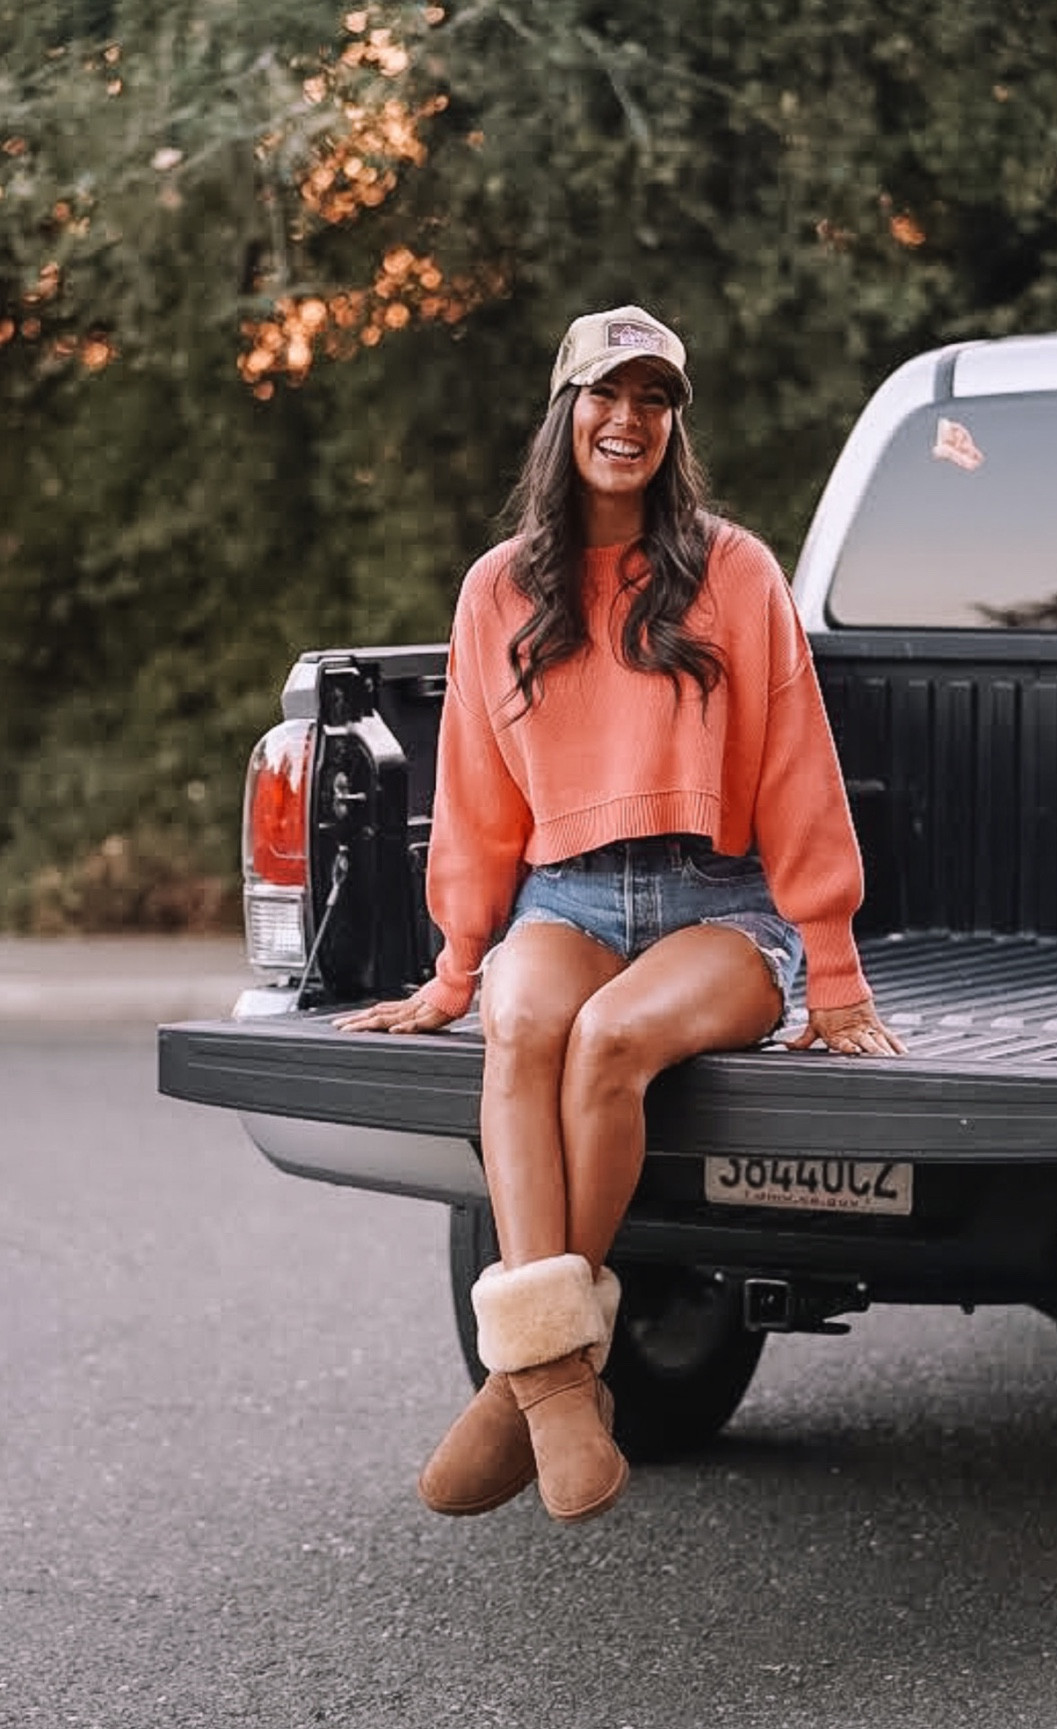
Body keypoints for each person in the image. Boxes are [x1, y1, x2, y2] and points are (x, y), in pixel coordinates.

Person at [335, 304, 905, 1525]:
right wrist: (456, 964)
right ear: (567, 410)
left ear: (672, 427)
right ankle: (555, 1381)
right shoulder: (499, 589)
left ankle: (529, 1380)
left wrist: (834, 969)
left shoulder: (733, 570)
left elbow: (799, 769)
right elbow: (474, 794)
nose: (628, 419)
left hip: (720, 904)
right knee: (518, 1026)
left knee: (608, 1042)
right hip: (567, 896)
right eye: (607, 393)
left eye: (654, 400)